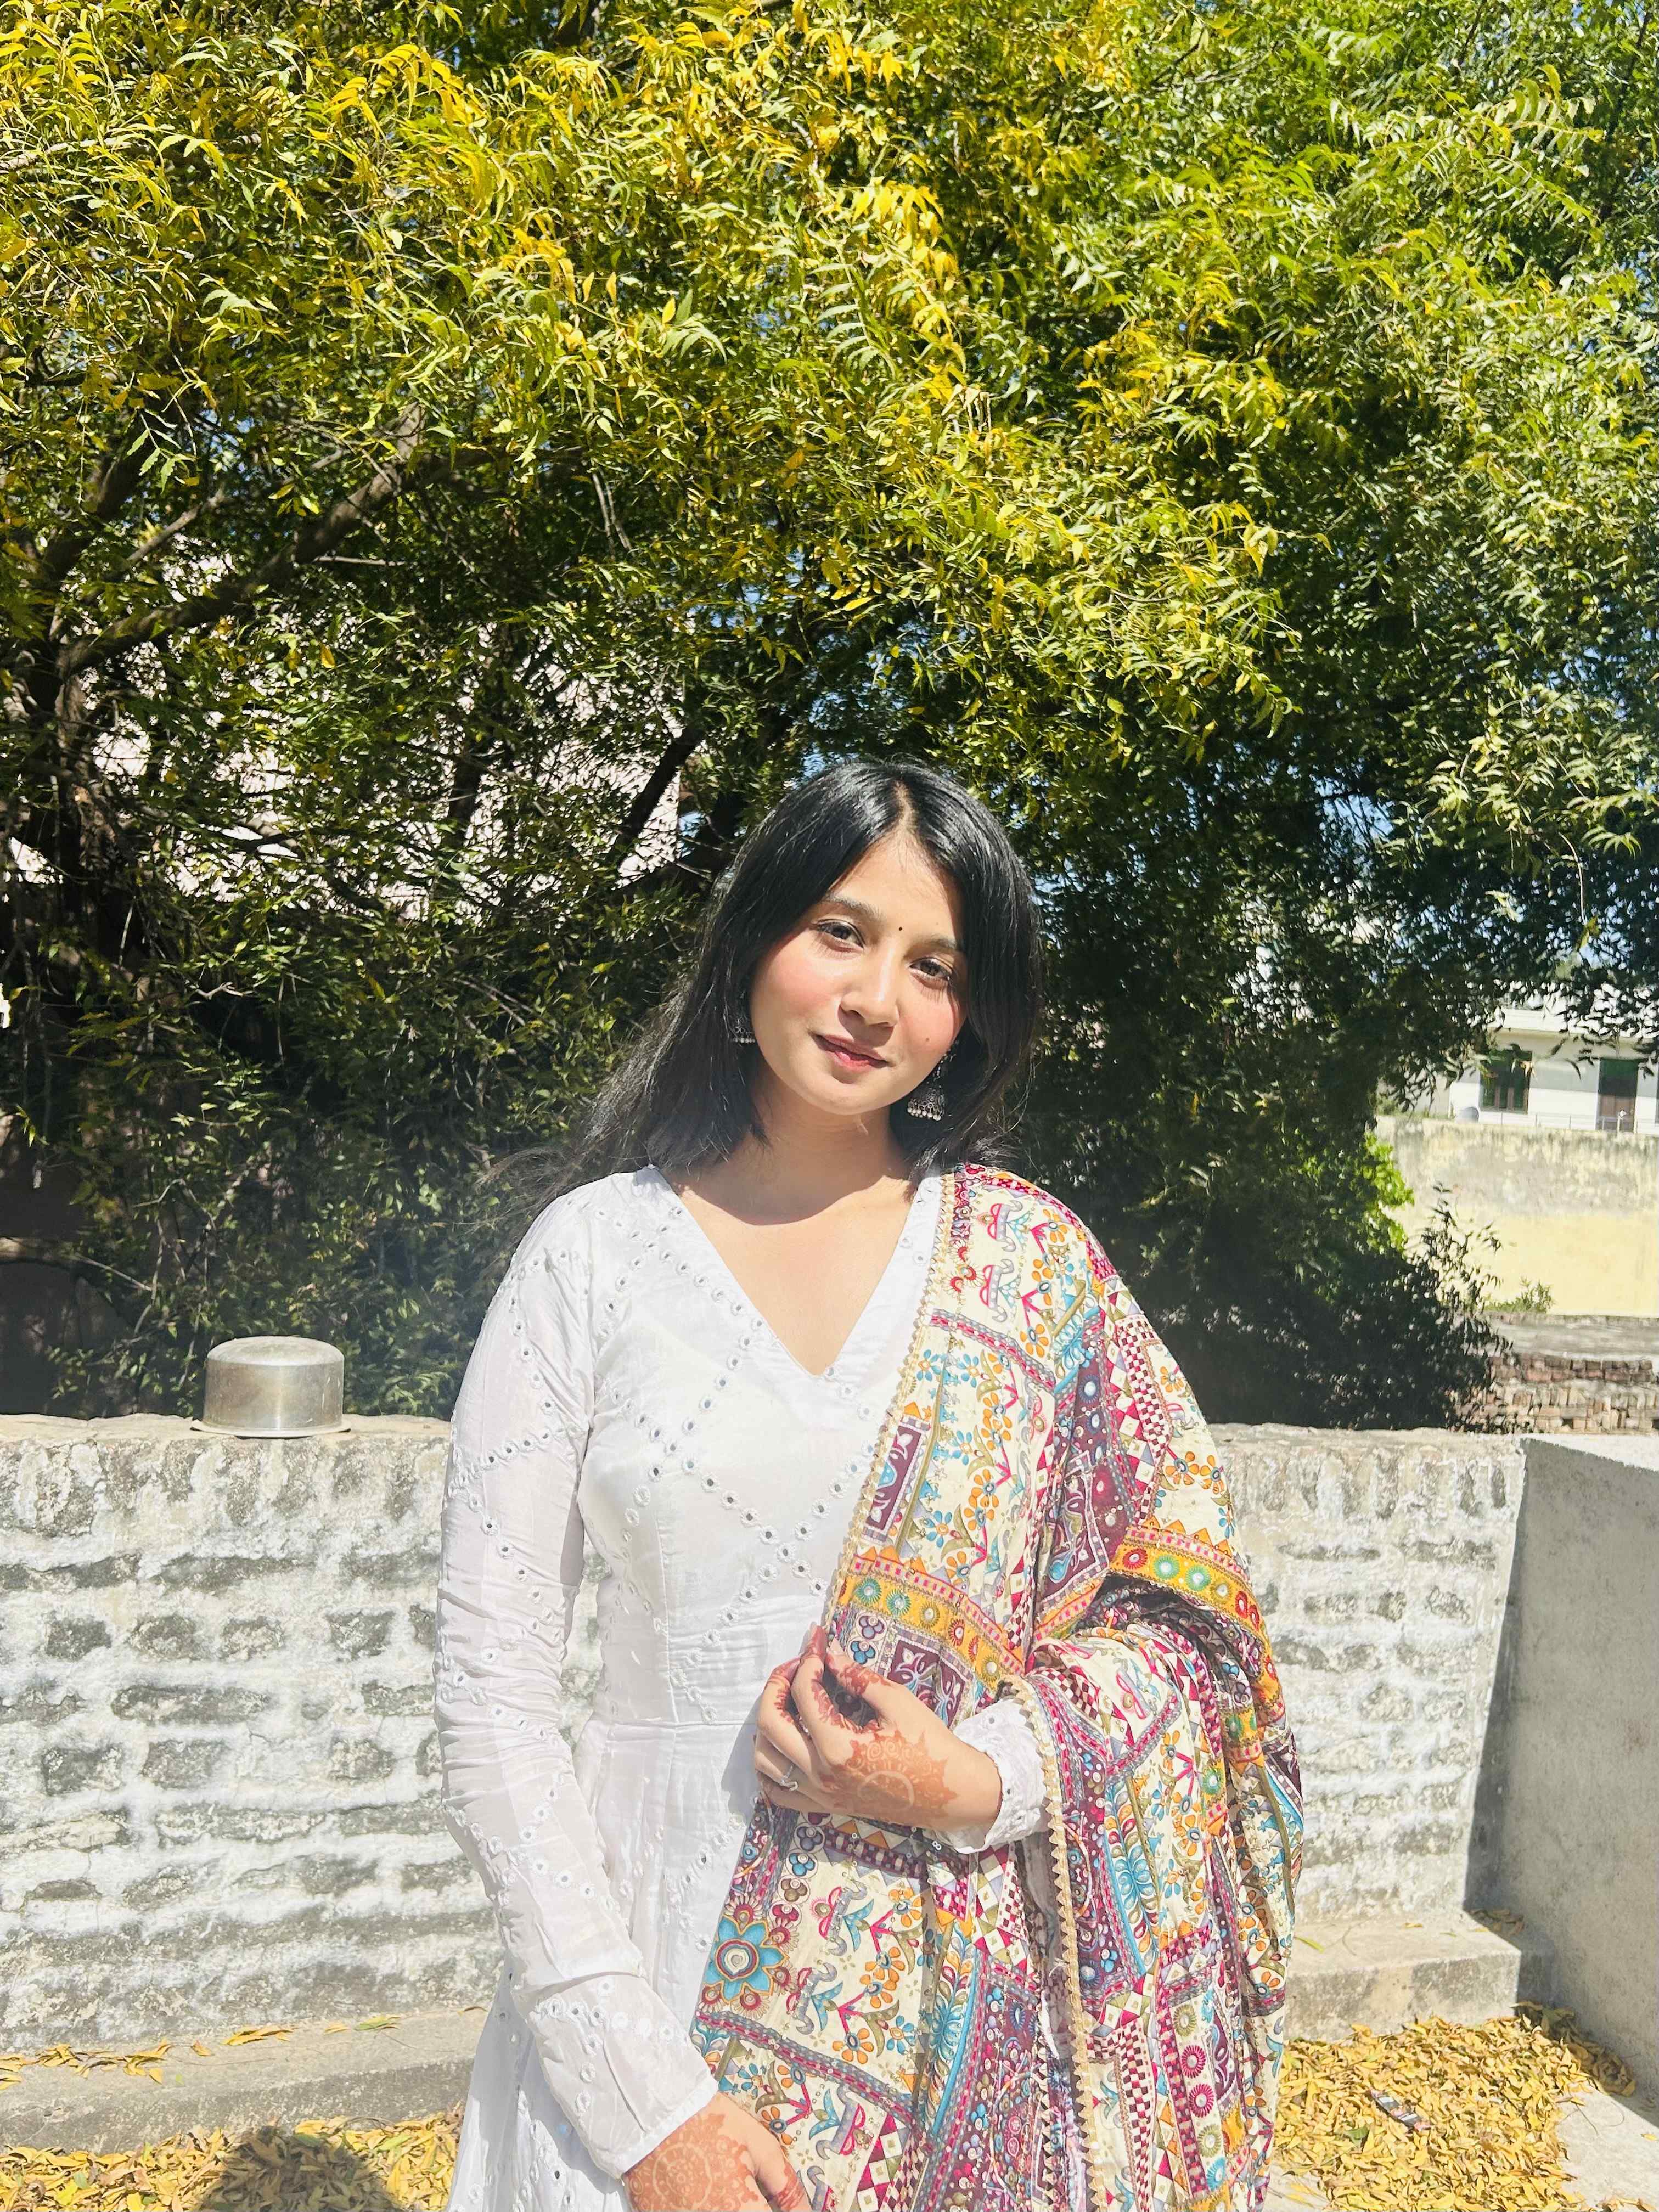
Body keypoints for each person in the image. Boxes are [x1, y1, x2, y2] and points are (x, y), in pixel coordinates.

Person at [435, 756, 1301, 2212]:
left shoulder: (1030, 1269)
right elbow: (491, 1700)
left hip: (955, 2005)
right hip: (641, 1977)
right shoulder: (591, 1258)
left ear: (971, 1014)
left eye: (934, 965)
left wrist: (975, 1779)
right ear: (754, 937)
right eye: (840, 932)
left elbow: (1191, 1628)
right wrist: (646, 2107)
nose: (876, 999)